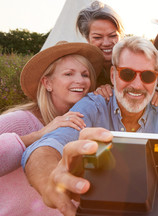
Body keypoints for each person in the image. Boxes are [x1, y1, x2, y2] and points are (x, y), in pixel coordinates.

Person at [21, 36, 158, 216]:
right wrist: (49, 181)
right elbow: (47, 146)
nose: (137, 85)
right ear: (113, 75)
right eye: (127, 74)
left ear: (155, 79)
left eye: (147, 76)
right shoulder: (93, 106)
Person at [0, 41, 103, 215]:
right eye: (68, 74)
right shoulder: (20, 120)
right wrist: (38, 135)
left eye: (85, 75)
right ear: (47, 83)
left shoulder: (83, 124)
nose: (80, 80)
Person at [76, 0, 125, 87]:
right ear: (88, 39)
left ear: (121, 35)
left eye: (112, 36)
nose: (106, 43)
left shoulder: (133, 62)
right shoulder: (80, 68)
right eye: (97, 37)